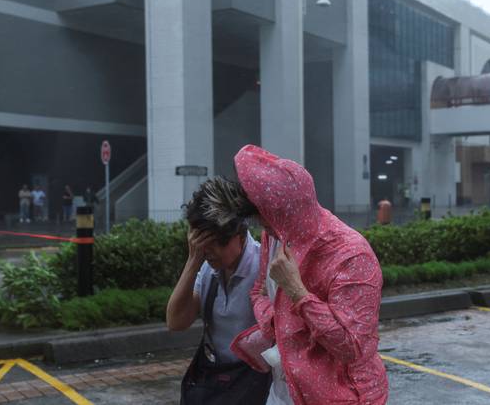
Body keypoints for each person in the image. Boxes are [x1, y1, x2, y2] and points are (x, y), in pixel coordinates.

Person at [230, 145, 389, 405]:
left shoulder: (351, 255)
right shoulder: (274, 236)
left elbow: (352, 347)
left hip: (342, 397)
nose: (264, 228)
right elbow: (258, 290)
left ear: (287, 212)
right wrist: (277, 322)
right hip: (285, 389)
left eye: (267, 219)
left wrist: (296, 292)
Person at [166, 177, 270, 405]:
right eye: (202, 243)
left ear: (240, 236)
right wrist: (193, 261)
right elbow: (176, 321)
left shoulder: (264, 268)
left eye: (216, 243)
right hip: (217, 378)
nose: (208, 251)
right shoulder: (207, 269)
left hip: (254, 384)